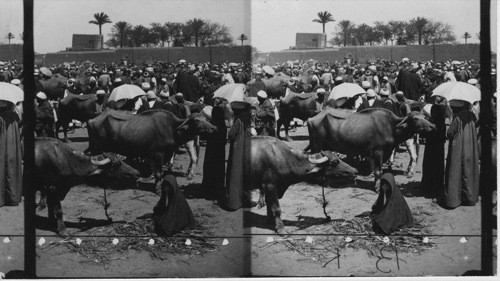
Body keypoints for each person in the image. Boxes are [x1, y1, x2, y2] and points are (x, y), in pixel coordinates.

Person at [441, 101, 480, 208]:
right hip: (470, 146)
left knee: (455, 171)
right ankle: (469, 198)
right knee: (468, 171)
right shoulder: (472, 116)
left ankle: (453, 200)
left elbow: (449, 133)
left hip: (458, 147)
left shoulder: (457, 118)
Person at [225, 101, 252, 210]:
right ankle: (245, 200)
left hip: (237, 150)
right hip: (247, 147)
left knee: (235, 174)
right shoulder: (248, 117)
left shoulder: (238, 120)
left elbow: (231, 135)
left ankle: (234, 203)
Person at [420, 97, 446, 199]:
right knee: (438, 166)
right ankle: (436, 187)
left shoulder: (431, 123)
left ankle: (427, 186)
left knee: (429, 165)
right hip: (439, 147)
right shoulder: (442, 122)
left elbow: (425, 134)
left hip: (430, 146)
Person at [202, 98, 228, 201]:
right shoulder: (223, 125)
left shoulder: (212, 124)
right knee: (218, 170)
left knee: (210, 169)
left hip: (211, 151)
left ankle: (208, 189)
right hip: (219, 152)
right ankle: (217, 190)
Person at [0, 100, 23, 207]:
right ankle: (13, 197)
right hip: (13, 145)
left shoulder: (1, 117)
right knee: (12, 168)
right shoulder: (14, 115)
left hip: (3, 145)